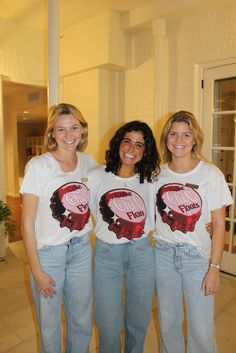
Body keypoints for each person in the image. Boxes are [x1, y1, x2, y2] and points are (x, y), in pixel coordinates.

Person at [154, 111, 233, 353]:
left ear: (195, 138)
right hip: (163, 256)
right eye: (173, 133)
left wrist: (214, 268)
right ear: (166, 138)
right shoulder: (157, 175)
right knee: (168, 323)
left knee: (201, 329)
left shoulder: (210, 174)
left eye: (186, 134)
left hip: (197, 259)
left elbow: (220, 224)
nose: (179, 139)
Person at [20, 103, 96, 353]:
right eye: (61, 129)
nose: (68, 135)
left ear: (83, 130)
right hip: (49, 254)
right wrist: (37, 272)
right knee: (50, 324)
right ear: (52, 133)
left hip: (82, 249)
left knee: (82, 321)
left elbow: (96, 204)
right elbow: (27, 223)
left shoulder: (88, 162)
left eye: (74, 127)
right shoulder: (39, 166)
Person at [87, 121, 160, 353]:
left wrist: (208, 224)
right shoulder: (96, 176)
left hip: (141, 252)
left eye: (139, 144)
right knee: (108, 321)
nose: (132, 148)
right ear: (118, 143)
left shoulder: (151, 179)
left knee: (138, 321)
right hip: (107, 254)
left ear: (145, 150)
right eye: (127, 141)